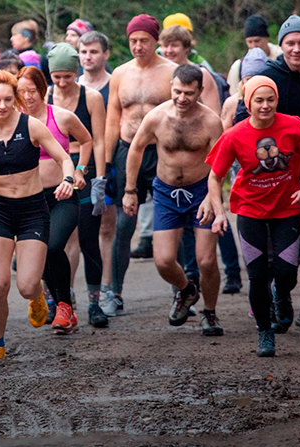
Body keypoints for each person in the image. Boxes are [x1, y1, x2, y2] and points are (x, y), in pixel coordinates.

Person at [0, 70, 76, 361]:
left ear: (14, 98)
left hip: (32, 210)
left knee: (27, 285)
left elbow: (64, 158)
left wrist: (68, 180)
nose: (2, 106)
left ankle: (38, 295)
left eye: (7, 99)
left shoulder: (32, 126)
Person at [204, 76, 300, 356]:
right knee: (257, 274)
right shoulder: (234, 135)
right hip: (249, 210)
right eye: (259, 100)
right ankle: (265, 332)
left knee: (286, 272)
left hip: (286, 208)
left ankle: (282, 294)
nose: (265, 106)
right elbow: (214, 178)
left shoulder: (294, 126)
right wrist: (218, 212)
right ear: (248, 103)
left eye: (270, 99)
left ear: (277, 100)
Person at [123, 65, 224, 335]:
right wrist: (130, 190)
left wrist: (212, 198)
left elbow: (219, 164)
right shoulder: (156, 117)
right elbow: (135, 149)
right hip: (167, 193)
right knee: (164, 260)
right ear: (171, 87)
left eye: (189, 93)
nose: (182, 98)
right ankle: (186, 290)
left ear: (200, 91)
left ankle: (210, 313)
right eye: (177, 91)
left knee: (205, 261)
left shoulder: (211, 121)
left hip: (201, 191)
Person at [18, 65, 100, 330]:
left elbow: (87, 140)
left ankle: (64, 306)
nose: (28, 97)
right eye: (22, 92)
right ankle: (55, 302)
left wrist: (79, 170)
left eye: (32, 91)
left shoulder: (62, 117)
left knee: (52, 246)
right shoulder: (14, 122)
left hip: (62, 196)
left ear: (43, 90)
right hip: (29, 201)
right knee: (38, 254)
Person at [104, 14, 176, 316]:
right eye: (133, 41)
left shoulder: (172, 72)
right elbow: (112, 119)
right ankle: (115, 291)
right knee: (124, 223)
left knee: (173, 221)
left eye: (143, 41)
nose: (137, 46)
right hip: (126, 148)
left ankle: (181, 290)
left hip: (161, 150)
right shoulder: (120, 74)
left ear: (155, 40)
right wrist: (107, 163)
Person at [253, 16, 300, 335]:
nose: (296, 48)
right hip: (275, 175)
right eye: (290, 43)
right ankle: (275, 299)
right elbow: (247, 122)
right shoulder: (268, 77)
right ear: (280, 46)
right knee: (275, 249)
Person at [46, 43, 109, 325]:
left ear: (76, 73)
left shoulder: (91, 97)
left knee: (87, 238)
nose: (61, 83)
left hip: (84, 169)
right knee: (57, 242)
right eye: (56, 77)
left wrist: (99, 177)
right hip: (54, 170)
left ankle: (94, 302)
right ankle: (62, 299)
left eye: (67, 77)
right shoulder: (45, 97)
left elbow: (98, 139)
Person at [77, 31, 117, 306]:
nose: (88, 57)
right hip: (79, 166)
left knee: (106, 226)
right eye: (83, 52)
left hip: (109, 162)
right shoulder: (71, 84)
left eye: (93, 52)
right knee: (75, 231)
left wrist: (106, 169)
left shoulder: (115, 84)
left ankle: (107, 288)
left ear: (106, 54)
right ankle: (67, 296)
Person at [159, 26, 221, 113]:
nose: (169, 50)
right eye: (165, 46)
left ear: (186, 48)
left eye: (174, 45)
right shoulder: (159, 73)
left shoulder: (202, 74)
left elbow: (214, 113)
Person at [226, 15, 283, 96]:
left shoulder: (283, 57)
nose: (253, 45)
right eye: (249, 42)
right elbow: (234, 97)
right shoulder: (238, 67)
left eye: (257, 41)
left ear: (267, 38)